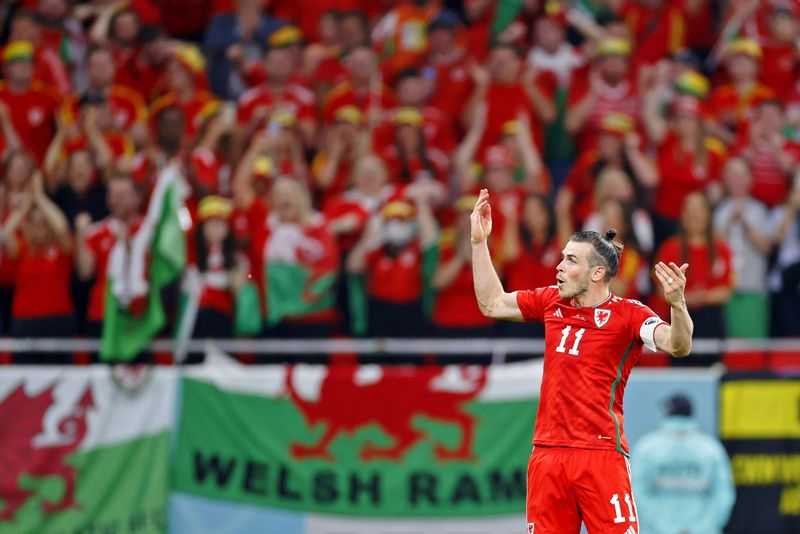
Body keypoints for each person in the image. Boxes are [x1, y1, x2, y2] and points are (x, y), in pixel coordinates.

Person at [470, 187, 694, 533]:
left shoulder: (629, 315)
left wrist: (677, 304)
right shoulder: (551, 302)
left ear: (596, 273)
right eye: (562, 257)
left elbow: (678, 345)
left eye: (571, 260)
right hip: (547, 454)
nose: (559, 267)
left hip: (601, 455)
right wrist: (478, 243)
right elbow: (492, 304)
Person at [631, 394, 736, 534]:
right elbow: (723, 497)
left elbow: (637, 494)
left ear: (667, 413)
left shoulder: (647, 448)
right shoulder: (711, 449)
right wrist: (700, 528)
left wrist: (665, 527)